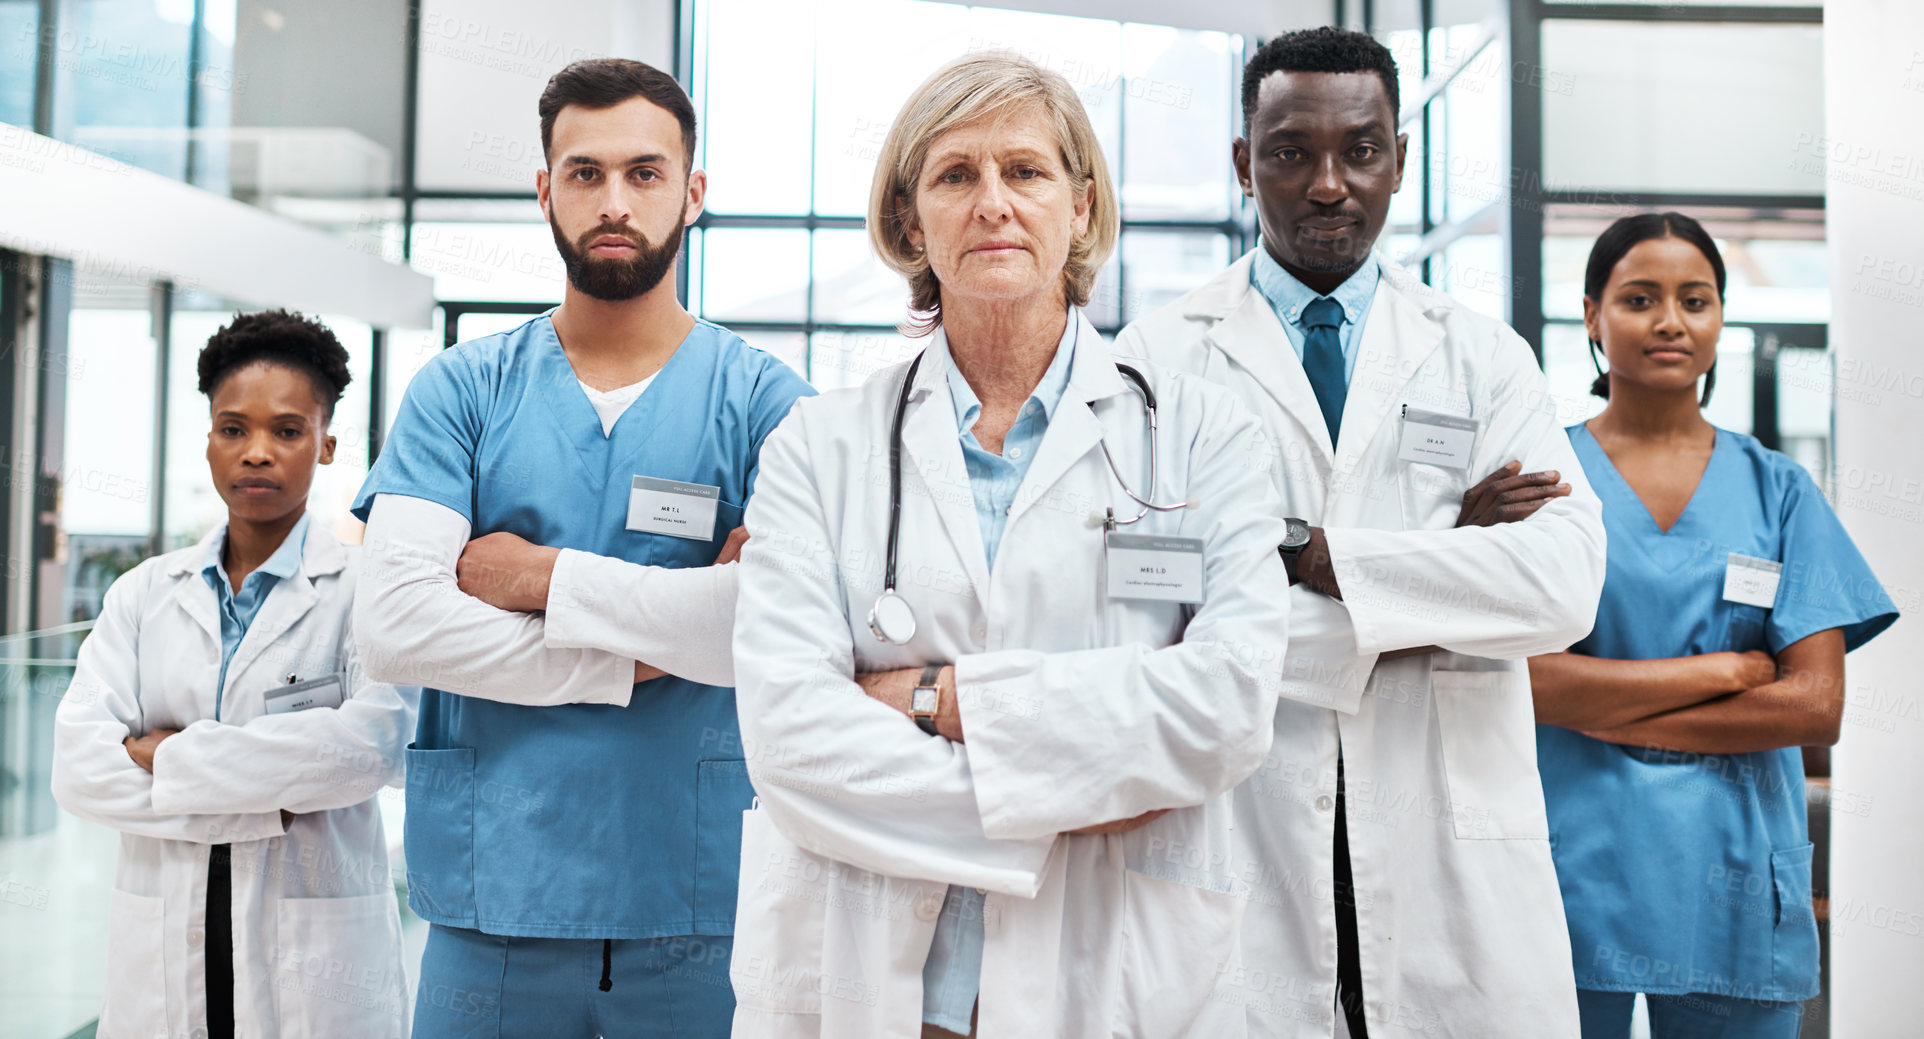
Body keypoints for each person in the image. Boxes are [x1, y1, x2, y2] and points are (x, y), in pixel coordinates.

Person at [728, 52, 1302, 1038]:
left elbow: (1225, 707)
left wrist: (933, 698)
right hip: (876, 978)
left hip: (1113, 972)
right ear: (912, 220)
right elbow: (791, 739)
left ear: (1080, 206)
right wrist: (1077, 786)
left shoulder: (1204, 435)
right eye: (955, 175)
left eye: (1025, 171)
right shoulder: (819, 448)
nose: (993, 201)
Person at [1116, 26, 1607, 1038]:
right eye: (1292, 151)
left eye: (1362, 149)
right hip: (1242, 827)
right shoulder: (1157, 359)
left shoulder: (1482, 358)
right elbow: (1143, 609)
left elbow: (1560, 586)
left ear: (1398, 158)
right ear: (1246, 163)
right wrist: (1447, 584)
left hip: (1450, 858)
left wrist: (1310, 557)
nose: (1330, 183)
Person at [351, 59, 813, 1036]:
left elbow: (772, 627)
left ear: (692, 192)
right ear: (544, 191)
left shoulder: (770, 405)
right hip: (491, 906)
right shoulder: (461, 392)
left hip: (699, 910)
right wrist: (641, 651)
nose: (614, 201)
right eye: (584, 172)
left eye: (645, 173)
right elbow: (395, 626)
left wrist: (535, 575)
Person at [1529, 212, 1897, 1039]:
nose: (1670, 321)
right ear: (1592, 316)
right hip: (1572, 869)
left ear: (1720, 318)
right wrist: (1722, 672)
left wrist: (1595, 705)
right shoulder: (1545, 484)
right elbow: (1520, 682)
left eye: (1695, 299)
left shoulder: (1781, 489)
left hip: (1732, 871)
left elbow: (1814, 710)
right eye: (1639, 298)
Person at [52, 310, 414, 1039]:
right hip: (163, 955)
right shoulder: (145, 593)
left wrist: (169, 755)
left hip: (317, 969)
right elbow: (79, 766)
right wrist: (268, 800)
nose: (256, 453)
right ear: (209, 441)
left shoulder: (367, 589)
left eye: (286, 430)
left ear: (327, 444)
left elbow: (371, 750)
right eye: (232, 428)